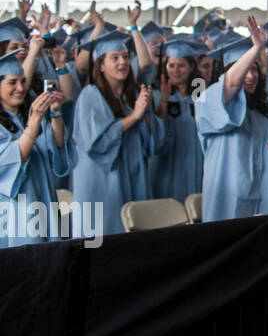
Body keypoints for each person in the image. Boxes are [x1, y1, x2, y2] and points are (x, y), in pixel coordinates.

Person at [71, 31, 164, 236]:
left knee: (133, 235)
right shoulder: (90, 95)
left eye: (124, 57)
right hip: (102, 179)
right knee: (104, 236)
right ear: (101, 65)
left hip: (133, 173)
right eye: (114, 58)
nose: (122, 62)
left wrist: (146, 111)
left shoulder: (132, 95)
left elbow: (153, 144)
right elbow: (97, 143)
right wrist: (135, 116)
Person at [196, 24, 268, 221]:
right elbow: (231, 83)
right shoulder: (210, 98)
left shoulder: (262, 115)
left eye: (254, 69)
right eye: (245, 69)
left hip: (259, 196)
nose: (250, 76)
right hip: (226, 197)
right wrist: (256, 48)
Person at [0, 50, 71, 247]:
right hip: (15, 213)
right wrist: (35, 122)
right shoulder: (30, 119)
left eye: (23, 81)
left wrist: (55, 113)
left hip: (43, 200)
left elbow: (56, 145)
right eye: (12, 82)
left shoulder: (27, 116)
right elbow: (13, 158)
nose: (20, 88)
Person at [151, 37, 206, 203]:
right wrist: (164, 101)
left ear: (191, 67)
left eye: (181, 65)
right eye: (171, 65)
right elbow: (155, 135)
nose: (175, 70)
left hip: (197, 164)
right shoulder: (157, 93)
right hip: (167, 166)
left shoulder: (200, 91)